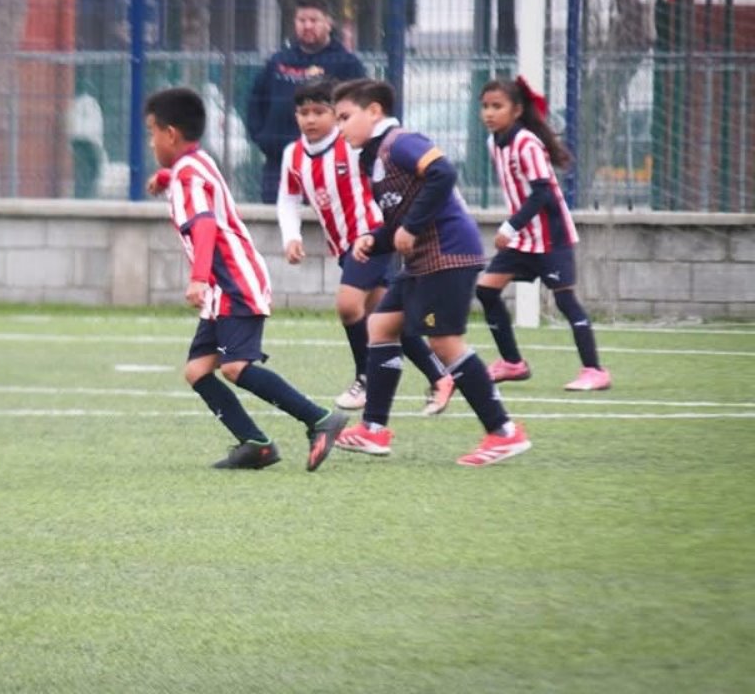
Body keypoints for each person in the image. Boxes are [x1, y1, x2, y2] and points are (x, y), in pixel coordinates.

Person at [145, 86, 347, 472]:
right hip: (224, 288)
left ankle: (319, 419)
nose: (151, 141)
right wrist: (166, 175)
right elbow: (198, 184)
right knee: (198, 371)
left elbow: (204, 226)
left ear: (170, 134)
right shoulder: (193, 164)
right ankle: (256, 444)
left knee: (236, 367)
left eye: (152, 132)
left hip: (233, 282)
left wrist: (198, 278)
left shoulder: (188, 175)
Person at [330, 79, 531, 467]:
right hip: (422, 258)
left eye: (345, 117)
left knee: (443, 342)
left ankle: (504, 432)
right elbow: (402, 218)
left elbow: (442, 172)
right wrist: (376, 238)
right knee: (382, 327)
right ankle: (373, 430)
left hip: (448, 252)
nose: (339, 127)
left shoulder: (399, 142)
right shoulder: (369, 158)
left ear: (374, 112)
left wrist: (411, 227)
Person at [275, 79, 456, 416]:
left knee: (348, 306)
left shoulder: (353, 145)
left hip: (372, 238)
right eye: (303, 113)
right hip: (345, 247)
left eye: (320, 112)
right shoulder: (293, 154)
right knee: (385, 317)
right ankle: (440, 375)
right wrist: (291, 236)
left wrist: (400, 224)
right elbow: (287, 198)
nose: (311, 119)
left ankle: (366, 377)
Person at [476, 77, 611, 391]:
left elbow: (542, 194)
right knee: (486, 290)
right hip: (523, 240)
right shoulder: (493, 142)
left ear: (517, 110)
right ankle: (512, 363)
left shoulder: (527, 143)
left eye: (497, 106)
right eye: (485, 106)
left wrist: (510, 226)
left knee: (565, 301)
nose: (489, 113)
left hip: (551, 237)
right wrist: (516, 230)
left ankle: (595, 371)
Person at [247, 0, 367, 204]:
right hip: (279, 163)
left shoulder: (347, 64)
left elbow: (360, 107)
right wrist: (263, 138)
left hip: (327, 164)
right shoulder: (279, 61)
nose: (307, 26)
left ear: (328, 23)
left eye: (314, 20)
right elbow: (256, 101)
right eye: (302, 20)